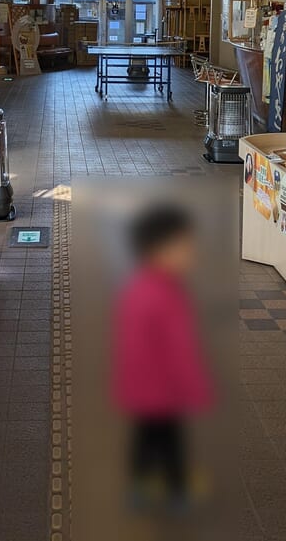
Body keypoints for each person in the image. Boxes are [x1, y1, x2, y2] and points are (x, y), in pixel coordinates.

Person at [111, 204, 213, 512]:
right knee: (171, 442)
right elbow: (181, 351)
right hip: (165, 391)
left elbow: (128, 343)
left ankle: (137, 488)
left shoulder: (136, 288)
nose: (191, 255)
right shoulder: (168, 295)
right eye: (183, 248)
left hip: (139, 388)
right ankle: (178, 492)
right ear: (158, 251)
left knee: (144, 438)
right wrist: (197, 389)